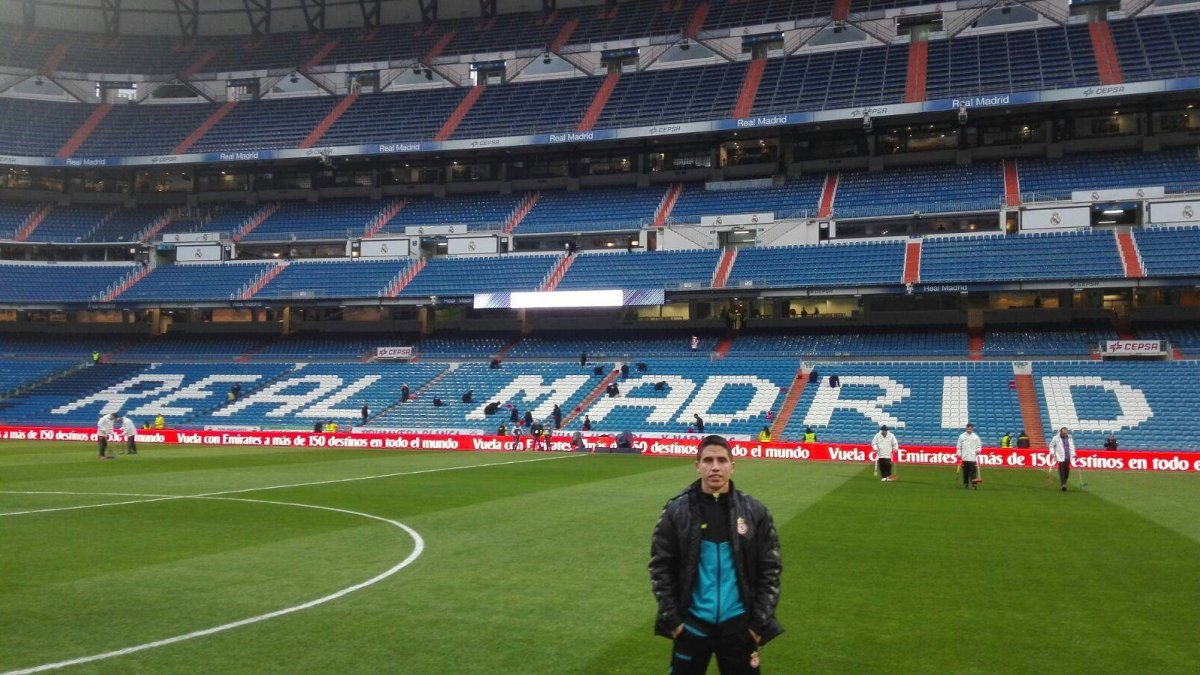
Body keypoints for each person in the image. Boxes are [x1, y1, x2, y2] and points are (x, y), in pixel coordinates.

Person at [649, 434, 783, 674]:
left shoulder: (755, 511)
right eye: (708, 460)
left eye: (722, 460)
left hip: (740, 629)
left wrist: (756, 626)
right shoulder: (676, 511)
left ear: (733, 466)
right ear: (697, 465)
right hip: (691, 627)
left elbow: (770, 570)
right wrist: (675, 622)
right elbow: (660, 567)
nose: (715, 467)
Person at [1049, 427, 1076, 492]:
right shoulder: (1056, 438)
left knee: (1067, 471)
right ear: (1060, 432)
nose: (1065, 434)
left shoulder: (1070, 438)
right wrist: (1052, 453)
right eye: (1063, 433)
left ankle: (1064, 482)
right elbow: (1051, 446)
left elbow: (1072, 447)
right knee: (1062, 471)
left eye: (1066, 433)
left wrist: (1074, 454)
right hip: (1060, 457)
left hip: (1068, 457)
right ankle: (1063, 484)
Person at [956, 422, 982, 489]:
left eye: (970, 429)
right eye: (968, 429)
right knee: (965, 472)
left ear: (972, 429)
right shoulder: (961, 436)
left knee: (973, 472)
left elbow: (979, 446)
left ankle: (974, 484)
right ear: (966, 428)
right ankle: (966, 483)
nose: (969, 430)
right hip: (964, 457)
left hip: (972, 458)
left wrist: (978, 450)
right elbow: (958, 446)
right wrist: (959, 453)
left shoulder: (976, 437)